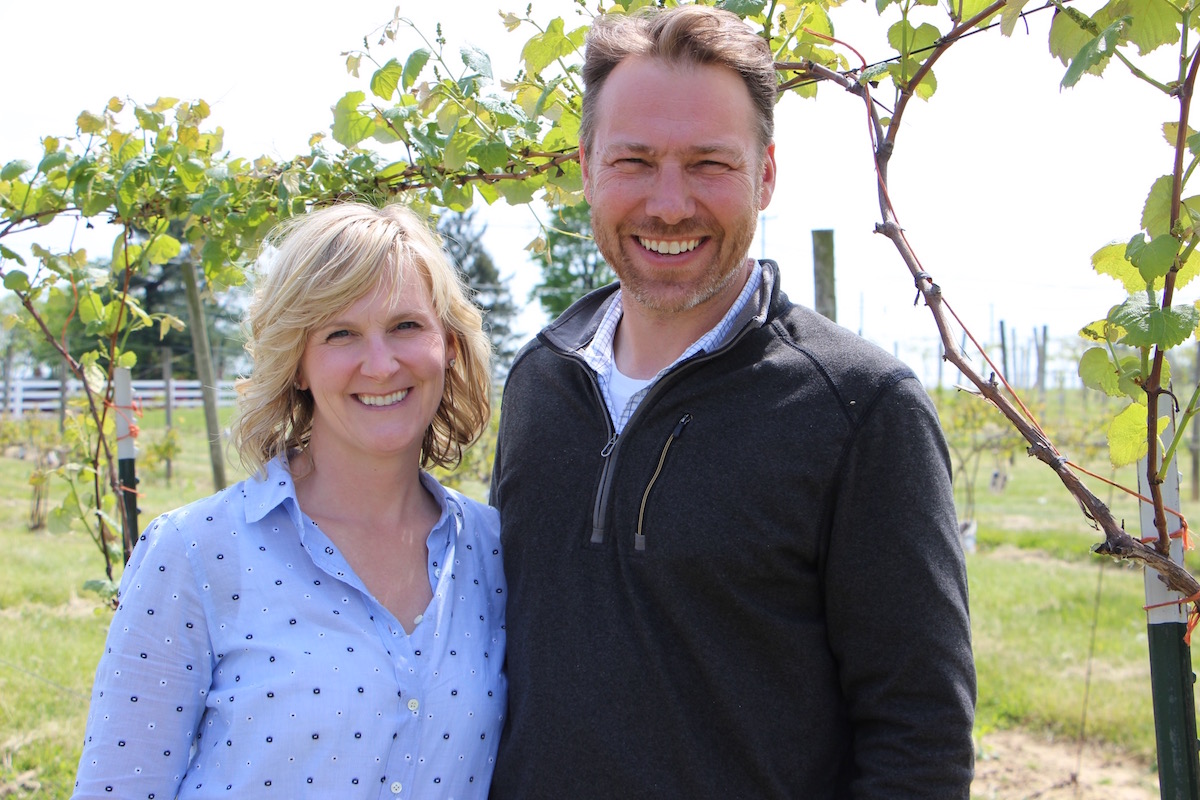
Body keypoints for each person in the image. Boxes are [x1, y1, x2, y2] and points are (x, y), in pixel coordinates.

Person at [488, 5, 975, 798]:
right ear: (585, 168)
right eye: (634, 160)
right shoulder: (541, 381)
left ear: (766, 174)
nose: (670, 204)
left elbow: (919, 739)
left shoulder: (860, 412)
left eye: (709, 164)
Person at [73, 202, 506, 799]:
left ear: (449, 346)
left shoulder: (494, 553)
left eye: (406, 326)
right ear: (297, 363)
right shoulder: (197, 553)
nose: (380, 364)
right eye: (340, 333)